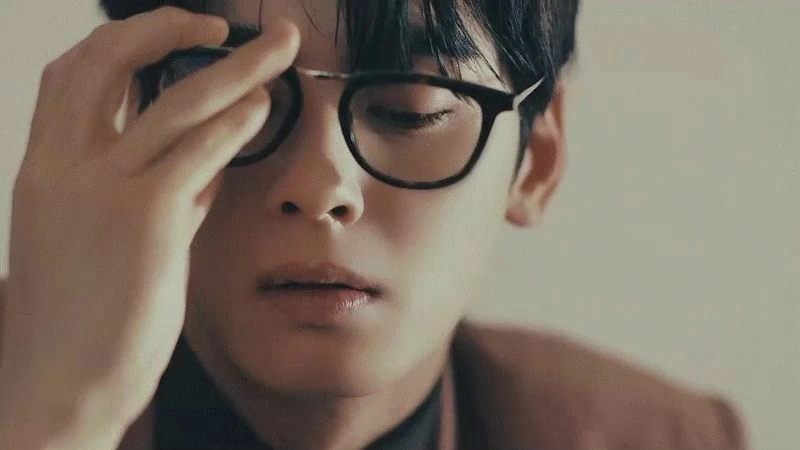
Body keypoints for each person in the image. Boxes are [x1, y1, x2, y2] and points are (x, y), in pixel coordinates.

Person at [0, 0, 747, 448]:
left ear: (537, 162)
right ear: (136, 119)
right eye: (242, 96)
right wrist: (61, 422)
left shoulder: (666, 439)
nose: (319, 187)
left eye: (409, 109)